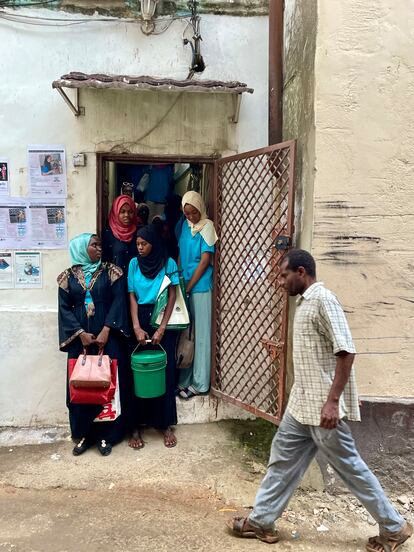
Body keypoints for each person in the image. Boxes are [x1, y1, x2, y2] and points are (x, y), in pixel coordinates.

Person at [227, 249, 413, 549]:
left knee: (349, 466)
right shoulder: (305, 303)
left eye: (284, 275)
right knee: (282, 459)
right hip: (302, 405)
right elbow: (324, 357)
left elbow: (346, 351)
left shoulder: (323, 300)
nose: (280, 281)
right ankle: (261, 521)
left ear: (301, 272)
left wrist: (334, 401)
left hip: (322, 409)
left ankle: (393, 526)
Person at [57, 233, 129, 456]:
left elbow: (119, 301)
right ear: (81, 249)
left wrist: (107, 329)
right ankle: (84, 434)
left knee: (107, 387)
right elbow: (64, 309)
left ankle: (107, 435)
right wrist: (80, 333)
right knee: (81, 387)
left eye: (99, 245)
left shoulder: (111, 272)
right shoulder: (67, 278)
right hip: (81, 343)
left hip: (107, 340)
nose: (99, 249)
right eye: (94, 245)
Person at [127, 225, 179, 449]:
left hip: (162, 317)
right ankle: (136, 426)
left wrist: (162, 328)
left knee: (164, 373)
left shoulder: (168, 264)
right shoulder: (133, 264)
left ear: (154, 244)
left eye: (143, 244)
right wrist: (137, 326)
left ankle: (164, 424)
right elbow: (131, 295)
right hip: (140, 316)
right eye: (137, 244)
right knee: (137, 374)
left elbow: (172, 295)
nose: (139, 248)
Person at [176, 191, 218, 399]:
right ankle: (183, 379)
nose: (191, 217)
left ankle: (200, 383)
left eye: (194, 212)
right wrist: (177, 279)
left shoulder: (207, 227)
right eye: (187, 213)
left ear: (200, 208)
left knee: (201, 334)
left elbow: (205, 260)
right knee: (186, 333)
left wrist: (189, 286)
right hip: (184, 284)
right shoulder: (184, 226)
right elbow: (180, 254)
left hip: (200, 287)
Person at [102, 195, 139, 276]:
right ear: (115, 212)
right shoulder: (108, 234)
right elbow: (104, 263)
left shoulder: (139, 233)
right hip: (116, 283)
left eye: (130, 212)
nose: (127, 215)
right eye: (122, 212)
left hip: (136, 282)